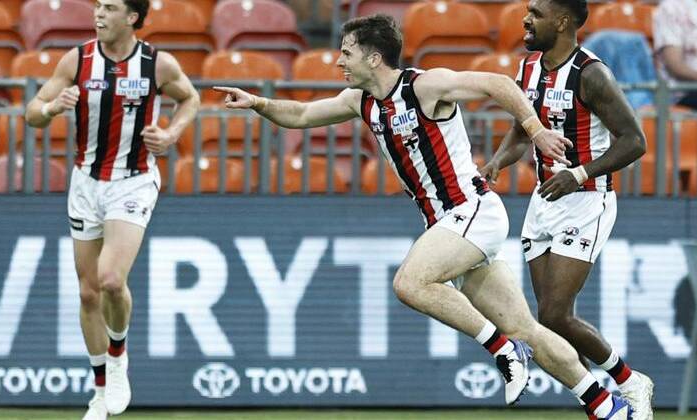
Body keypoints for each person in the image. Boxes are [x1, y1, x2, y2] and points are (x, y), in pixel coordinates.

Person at [216, 14, 633, 419]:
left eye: (346, 53)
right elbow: (303, 115)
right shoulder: (360, 101)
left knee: (410, 283)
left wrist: (535, 130)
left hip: (471, 211)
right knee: (526, 328)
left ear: (374, 58)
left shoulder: (424, 86)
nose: (339, 61)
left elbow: (499, 83)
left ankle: (503, 350)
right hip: (450, 224)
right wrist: (258, 103)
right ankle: (605, 405)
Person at [24, 1, 199, 419]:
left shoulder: (157, 64)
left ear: (132, 17)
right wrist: (52, 108)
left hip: (132, 181)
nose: (98, 14)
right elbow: (32, 114)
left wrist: (171, 134)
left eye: (109, 7)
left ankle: (118, 356)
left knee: (110, 280)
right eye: (98, 6)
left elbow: (190, 98)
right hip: (86, 183)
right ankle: (100, 391)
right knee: (88, 292)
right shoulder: (77, 59)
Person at [480, 0, 654, 418]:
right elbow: (523, 130)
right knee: (549, 321)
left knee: (555, 313)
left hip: (587, 200)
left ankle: (629, 382)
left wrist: (578, 173)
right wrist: (498, 161)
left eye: (536, 12)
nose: (526, 19)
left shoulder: (591, 74)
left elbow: (635, 142)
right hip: (544, 200)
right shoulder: (527, 68)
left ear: (561, 21)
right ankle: (604, 401)